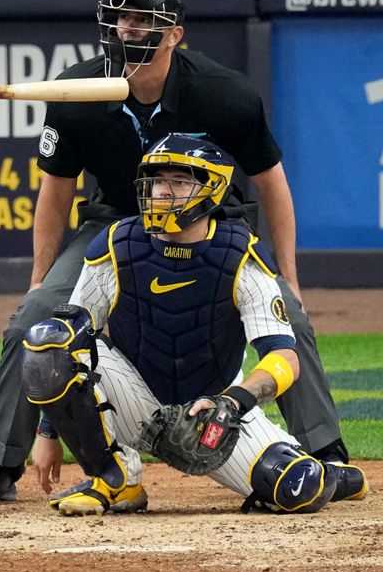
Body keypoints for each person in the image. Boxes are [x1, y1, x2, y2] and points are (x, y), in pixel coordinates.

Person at [0, 0, 350, 506]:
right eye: (121, 19)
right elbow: (54, 195)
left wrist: (292, 278)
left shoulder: (222, 92)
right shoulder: (76, 92)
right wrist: (39, 280)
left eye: (143, 21)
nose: (127, 30)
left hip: (213, 221)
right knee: (34, 320)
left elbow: (272, 182)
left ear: (174, 35)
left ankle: (327, 456)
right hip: (115, 223)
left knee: (291, 321)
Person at [19, 133, 368, 515]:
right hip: (134, 403)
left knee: (299, 488)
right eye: (156, 182)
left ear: (212, 190)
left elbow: (284, 357)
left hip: (214, 417)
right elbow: (71, 343)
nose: (163, 192)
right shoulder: (117, 244)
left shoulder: (241, 256)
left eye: (179, 182)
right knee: (49, 340)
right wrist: (48, 432)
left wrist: (233, 402)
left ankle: (336, 476)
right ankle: (115, 479)